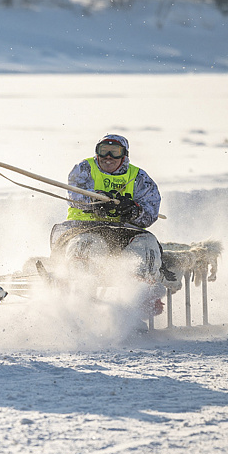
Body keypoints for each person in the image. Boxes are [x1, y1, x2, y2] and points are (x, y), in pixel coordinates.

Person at [49, 133, 168, 317]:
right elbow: (73, 195)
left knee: (146, 249)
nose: (108, 157)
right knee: (85, 247)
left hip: (126, 233)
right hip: (83, 228)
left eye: (115, 152)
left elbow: (151, 212)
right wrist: (95, 202)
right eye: (103, 151)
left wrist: (134, 211)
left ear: (124, 155)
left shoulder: (139, 177)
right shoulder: (84, 168)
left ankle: (135, 309)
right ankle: (78, 307)